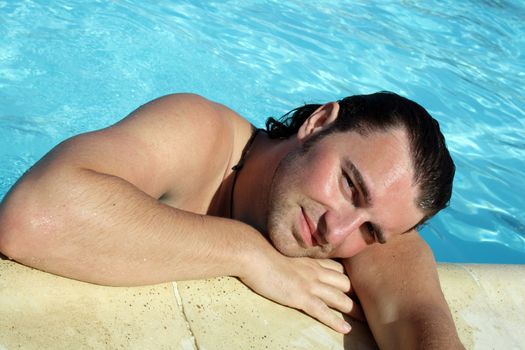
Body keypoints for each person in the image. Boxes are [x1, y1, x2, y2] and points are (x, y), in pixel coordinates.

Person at [0, 92, 463, 349]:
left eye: (371, 230)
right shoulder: (197, 134)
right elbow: (33, 216)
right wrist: (246, 252)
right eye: (348, 185)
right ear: (319, 123)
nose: (336, 230)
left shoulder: (367, 224)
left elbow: (415, 320)